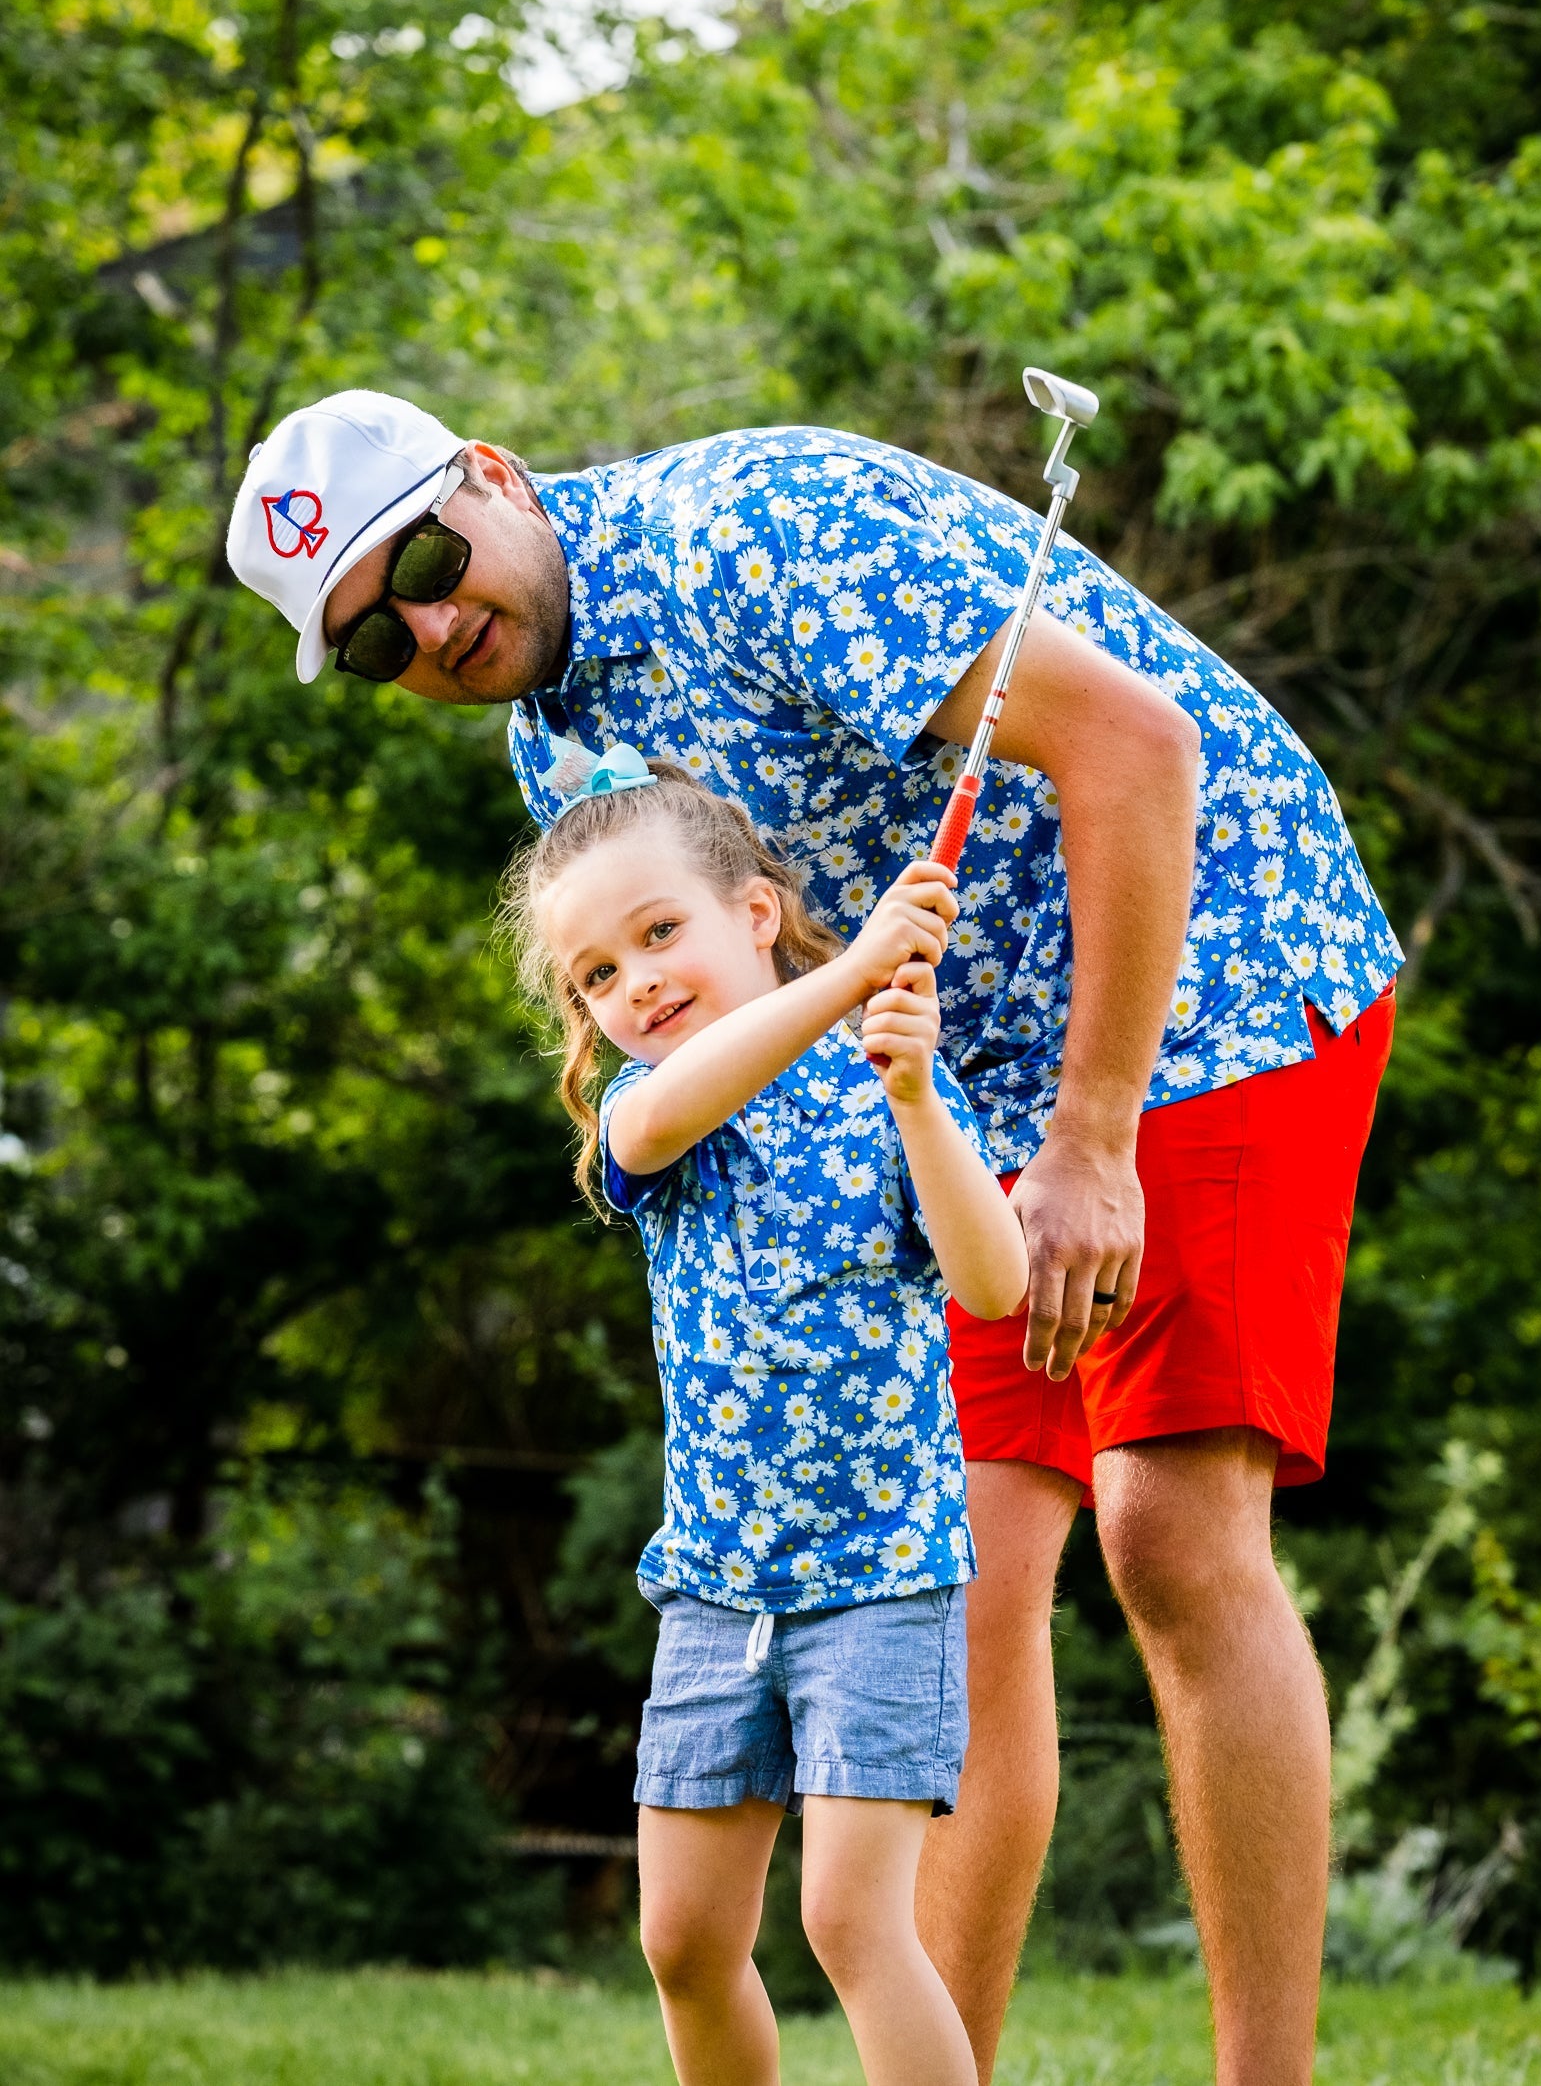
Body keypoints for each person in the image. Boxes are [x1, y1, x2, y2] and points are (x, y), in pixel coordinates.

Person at [228, 389, 1404, 2086]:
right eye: (369, 640)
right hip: (950, 1082)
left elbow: (1138, 746)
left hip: (1204, 965)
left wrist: (1090, 1135)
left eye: (422, 557)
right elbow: (747, 1016)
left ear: (489, 477)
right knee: (964, 1576)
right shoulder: (557, 751)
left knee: (1165, 1528)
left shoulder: (757, 532)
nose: (425, 623)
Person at [501, 746, 1028, 2086]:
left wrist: (912, 1095)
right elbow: (659, 1120)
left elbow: (995, 1279)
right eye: (597, 977)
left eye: (660, 932)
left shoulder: (887, 1083)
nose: (637, 986)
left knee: (851, 1919)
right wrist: (849, 977)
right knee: (680, 1938)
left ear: (751, 913)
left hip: (883, 1581)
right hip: (718, 1593)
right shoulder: (648, 1115)